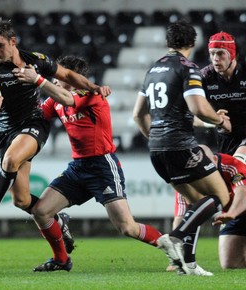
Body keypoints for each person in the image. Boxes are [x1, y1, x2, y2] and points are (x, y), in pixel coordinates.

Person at [0, 18, 110, 249]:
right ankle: (58, 220)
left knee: (10, 159)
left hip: (33, 124)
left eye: (0, 45)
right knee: (21, 200)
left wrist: (92, 87)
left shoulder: (35, 60)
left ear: (13, 41)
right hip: (6, 133)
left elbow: (67, 75)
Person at [14, 55, 163, 272]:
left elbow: (68, 99)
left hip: (103, 166)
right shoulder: (54, 100)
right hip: (78, 168)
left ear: (73, 78)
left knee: (127, 228)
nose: (55, 78)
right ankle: (61, 260)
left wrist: (38, 79)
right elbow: (36, 116)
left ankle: (172, 246)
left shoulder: (91, 94)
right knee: (41, 211)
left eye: (60, 75)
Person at [132, 20, 232, 276]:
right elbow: (198, 107)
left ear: (168, 43)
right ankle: (174, 237)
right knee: (222, 198)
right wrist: (219, 120)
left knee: (194, 203)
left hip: (157, 149)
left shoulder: (153, 69)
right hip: (181, 146)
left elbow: (137, 115)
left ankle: (188, 263)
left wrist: (156, 139)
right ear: (193, 43)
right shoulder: (188, 68)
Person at [167, 31, 246, 270]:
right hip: (224, 148)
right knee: (231, 264)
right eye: (212, 53)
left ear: (232, 54)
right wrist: (212, 121)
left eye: (221, 53)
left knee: (241, 159)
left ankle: (233, 207)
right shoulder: (202, 78)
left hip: (242, 147)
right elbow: (183, 113)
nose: (215, 58)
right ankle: (177, 253)